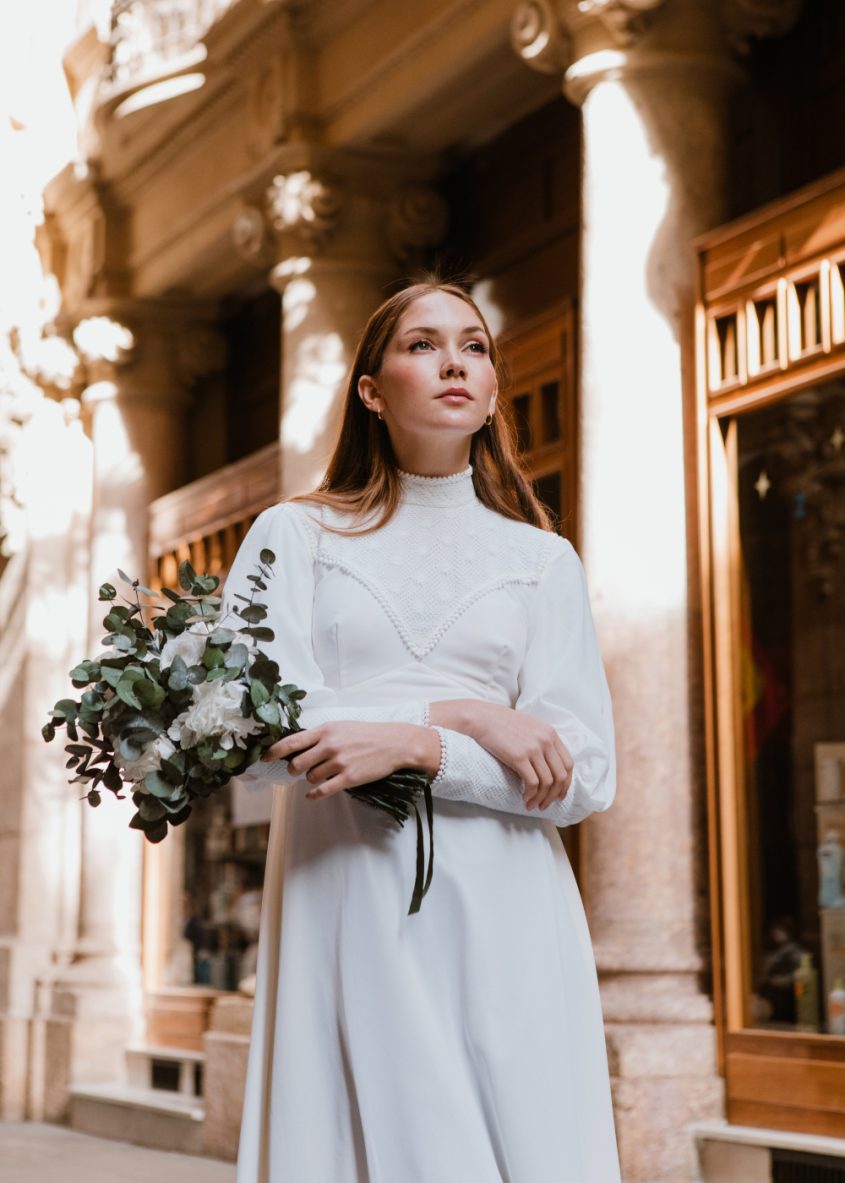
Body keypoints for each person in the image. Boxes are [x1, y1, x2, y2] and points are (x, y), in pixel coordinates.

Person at [226, 281, 621, 1182]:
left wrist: (422, 747)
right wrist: (463, 713)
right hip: (347, 885)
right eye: (421, 344)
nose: (453, 363)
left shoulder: (542, 559)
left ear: (491, 388)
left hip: (509, 898)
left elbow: (585, 772)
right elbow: (254, 731)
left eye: (473, 347)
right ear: (370, 389)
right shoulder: (296, 535)